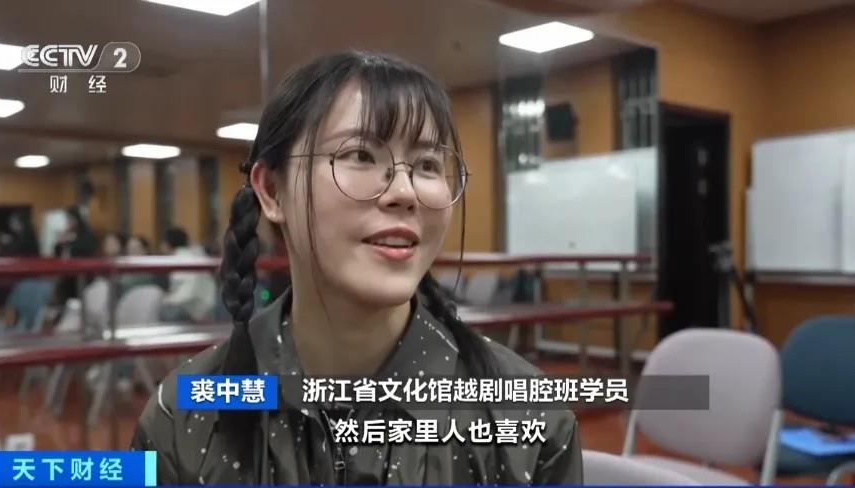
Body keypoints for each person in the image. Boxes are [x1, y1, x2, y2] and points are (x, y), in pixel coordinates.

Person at [131, 51, 581, 485]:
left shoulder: (531, 420)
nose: (404, 191)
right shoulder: (183, 419)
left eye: (427, 164)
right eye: (361, 155)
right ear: (271, 190)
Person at [157, 227, 216, 323]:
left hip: (195, 309)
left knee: (161, 309)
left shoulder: (180, 259)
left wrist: (166, 299)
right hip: (207, 306)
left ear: (167, 244)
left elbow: (186, 293)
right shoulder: (195, 254)